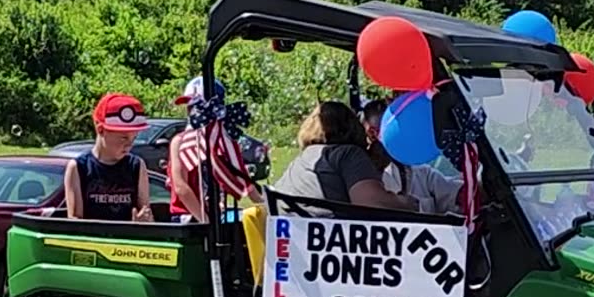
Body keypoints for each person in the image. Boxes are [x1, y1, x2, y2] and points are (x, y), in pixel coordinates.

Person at [273, 101, 417, 211]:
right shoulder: (349, 154)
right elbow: (371, 204)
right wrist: (409, 203)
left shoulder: (305, 157)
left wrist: (374, 166)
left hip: (293, 238)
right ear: (352, 125)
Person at [167, 76, 264, 223]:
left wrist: (265, 204)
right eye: (189, 107)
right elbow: (181, 187)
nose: (191, 112)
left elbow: (243, 179)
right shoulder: (180, 142)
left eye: (195, 106)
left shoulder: (223, 141)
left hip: (216, 217)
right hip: (187, 218)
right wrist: (204, 220)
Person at [360, 98, 465, 215]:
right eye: (395, 127)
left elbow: (457, 195)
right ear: (372, 133)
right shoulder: (363, 177)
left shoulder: (420, 171)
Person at [63, 93, 154, 222]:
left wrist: (144, 221)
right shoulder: (79, 167)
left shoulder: (137, 165)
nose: (129, 145)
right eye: (123, 137)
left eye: (134, 137)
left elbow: (145, 211)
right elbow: (75, 220)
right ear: (101, 130)